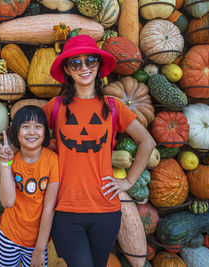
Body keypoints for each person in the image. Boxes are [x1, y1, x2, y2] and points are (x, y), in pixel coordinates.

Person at [42, 35, 156, 267]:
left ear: (99, 66)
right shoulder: (55, 107)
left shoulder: (114, 107)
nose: (84, 68)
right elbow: (29, 136)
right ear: (67, 70)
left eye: (90, 61)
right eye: (76, 63)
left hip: (106, 210)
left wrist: (129, 181)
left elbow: (148, 142)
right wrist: (6, 158)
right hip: (66, 210)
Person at [0, 105, 59, 267]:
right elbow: (7, 202)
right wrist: (5, 164)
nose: (31, 132)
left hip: (38, 242)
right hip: (9, 236)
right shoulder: (11, 160)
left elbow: (49, 208)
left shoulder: (52, 161)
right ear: (16, 131)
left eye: (38, 127)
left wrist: (39, 249)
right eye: (25, 127)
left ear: (45, 133)